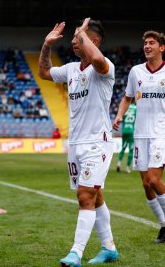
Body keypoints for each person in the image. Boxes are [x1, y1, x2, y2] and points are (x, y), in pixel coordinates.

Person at [38, 18, 119, 266]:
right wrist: (46, 45)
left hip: (98, 142)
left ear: (92, 41)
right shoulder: (72, 69)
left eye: (78, 38)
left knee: (85, 196)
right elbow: (43, 72)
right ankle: (109, 248)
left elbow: (96, 60)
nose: (73, 42)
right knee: (96, 197)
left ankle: (76, 253)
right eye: (74, 38)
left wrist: (82, 32)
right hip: (76, 144)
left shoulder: (105, 67)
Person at [113, 30, 165, 244]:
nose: (147, 46)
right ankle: (163, 225)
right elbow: (127, 98)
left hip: (161, 133)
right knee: (146, 184)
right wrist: (118, 115)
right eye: (145, 43)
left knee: (154, 179)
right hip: (140, 134)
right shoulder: (136, 72)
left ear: (162, 47)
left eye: (151, 43)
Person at [116, 100, 136, 174]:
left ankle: (118, 163)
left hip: (124, 130)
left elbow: (121, 118)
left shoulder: (126, 107)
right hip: (132, 131)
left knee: (123, 148)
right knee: (131, 149)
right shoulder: (136, 108)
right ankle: (127, 167)